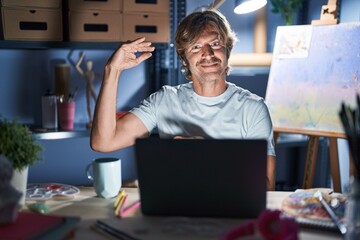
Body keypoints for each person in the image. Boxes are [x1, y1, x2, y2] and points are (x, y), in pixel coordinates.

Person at [90, 9, 276, 190]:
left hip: (231, 214)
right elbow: (103, 142)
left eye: (216, 44)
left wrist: (209, 154)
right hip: (175, 212)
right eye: (196, 47)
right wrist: (112, 71)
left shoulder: (254, 108)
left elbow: (267, 187)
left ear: (228, 50)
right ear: (184, 59)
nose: (208, 53)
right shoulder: (165, 100)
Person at [75, 52, 100, 128]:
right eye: (88, 64)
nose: (89, 66)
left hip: (91, 86)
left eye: (90, 64)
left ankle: (97, 118)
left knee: (97, 101)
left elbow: (101, 75)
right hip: (88, 87)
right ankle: (91, 119)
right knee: (88, 104)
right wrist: (81, 57)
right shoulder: (85, 73)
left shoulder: (93, 73)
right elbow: (77, 67)